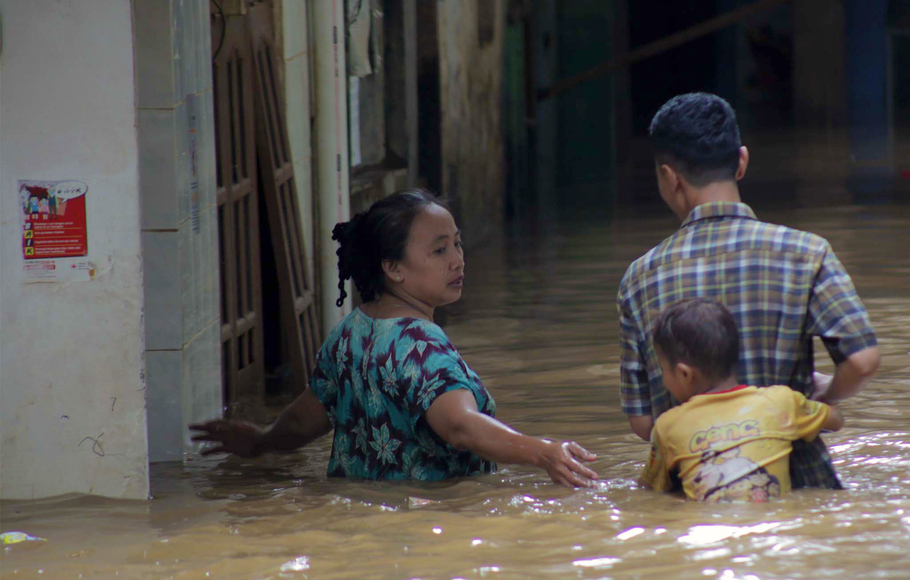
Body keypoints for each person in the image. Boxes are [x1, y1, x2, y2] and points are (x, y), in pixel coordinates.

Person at [192, 189, 599, 487]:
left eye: (457, 243)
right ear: (393, 268)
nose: (458, 259)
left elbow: (302, 421)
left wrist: (260, 441)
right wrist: (544, 451)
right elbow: (460, 426)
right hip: (434, 527)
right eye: (439, 251)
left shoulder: (349, 333)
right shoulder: (423, 346)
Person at [618, 93, 879, 489]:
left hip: (694, 496)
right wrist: (818, 393)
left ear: (670, 178)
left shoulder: (637, 279)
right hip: (802, 485)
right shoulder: (807, 253)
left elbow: (643, 423)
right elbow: (862, 362)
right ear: (741, 162)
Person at [640, 298, 844, 502]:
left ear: (685, 374)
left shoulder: (667, 426)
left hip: (707, 526)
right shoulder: (780, 401)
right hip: (775, 524)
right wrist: (817, 393)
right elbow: (836, 421)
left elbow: (650, 489)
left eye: (663, 370)